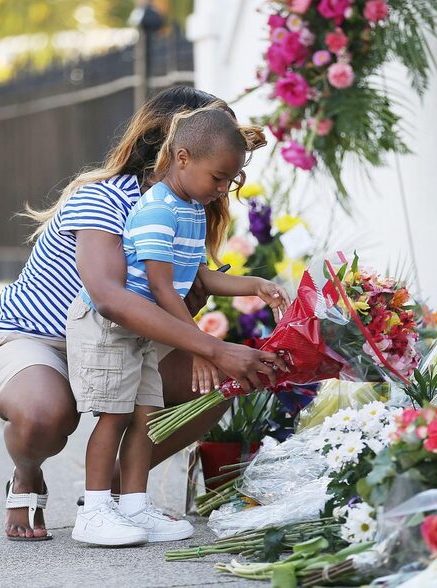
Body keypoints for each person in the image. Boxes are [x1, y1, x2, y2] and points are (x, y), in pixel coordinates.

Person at [0, 86, 288, 541]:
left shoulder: (187, 205)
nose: (225, 184)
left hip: (124, 340)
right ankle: (28, 474)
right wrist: (212, 346)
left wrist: (224, 314)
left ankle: (118, 496)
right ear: (178, 149)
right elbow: (110, 298)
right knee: (46, 415)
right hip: (38, 338)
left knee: (217, 384)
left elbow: (177, 290)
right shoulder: (102, 198)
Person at [68, 107, 288, 546]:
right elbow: (163, 288)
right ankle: (92, 512)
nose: (223, 189)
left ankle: (134, 506)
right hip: (109, 329)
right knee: (114, 416)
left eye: (230, 181)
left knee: (144, 418)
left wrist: (256, 284)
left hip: (145, 333)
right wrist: (200, 347)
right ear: (183, 158)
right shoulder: (157, 210)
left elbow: (199, 276)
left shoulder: (189, 207)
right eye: (218, 178)